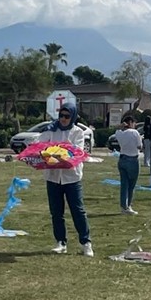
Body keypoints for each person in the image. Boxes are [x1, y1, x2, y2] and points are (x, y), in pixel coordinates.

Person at [37, 102, 93, 256]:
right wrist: (50, 151)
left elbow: (77, 152)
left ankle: (86, 242)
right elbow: (38, 145)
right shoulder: (51, 130)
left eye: (67, 116)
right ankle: (61, 242)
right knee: (56, 212)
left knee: (78, 210)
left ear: (73, 117)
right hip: (53, 178)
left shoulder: (77, 133)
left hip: (72, 177)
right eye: (61, 115)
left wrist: (57, 151)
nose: (63, 119)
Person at [115, 114, 143, 214]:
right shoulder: (134, 132)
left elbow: (117, 130)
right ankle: (128, 206)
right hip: (132, 159)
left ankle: (123, 206)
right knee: (131, 185)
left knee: (124, 184)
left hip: (122, 158)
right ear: (130, 123)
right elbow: (140, 146)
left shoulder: (118, 133)